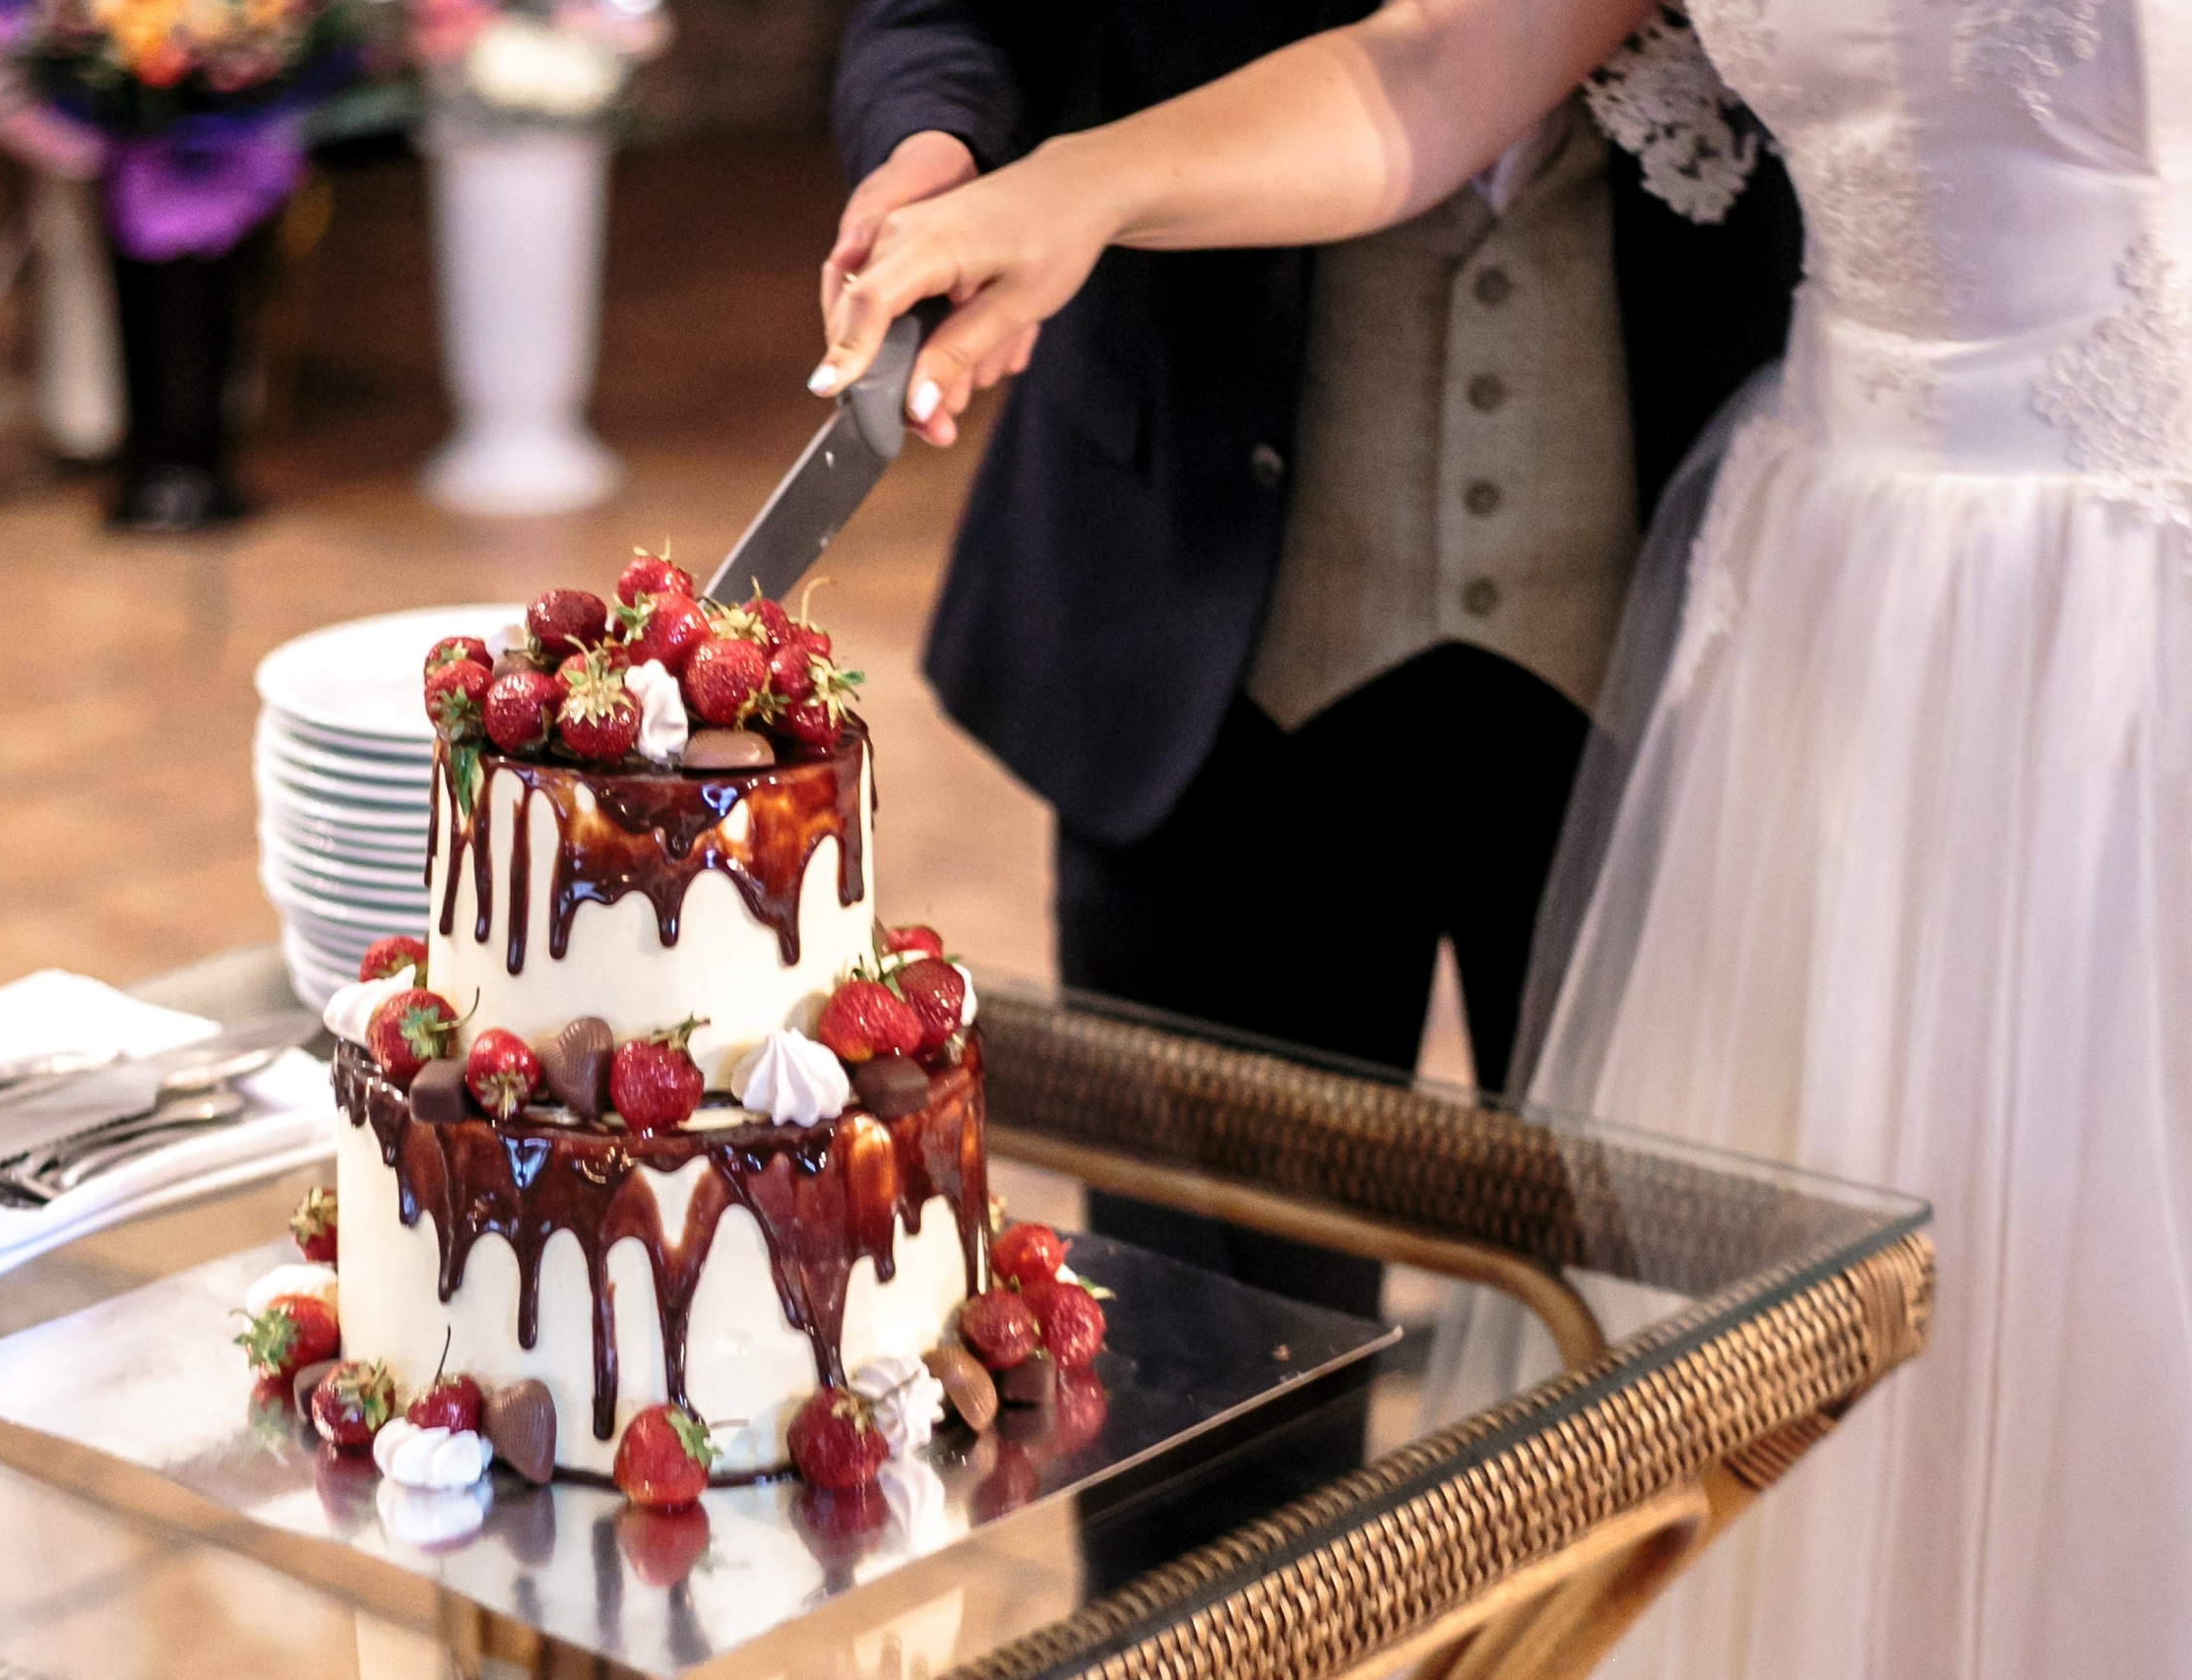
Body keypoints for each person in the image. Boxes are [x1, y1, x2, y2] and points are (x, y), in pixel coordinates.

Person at [815, 3, 2192, 1678]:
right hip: (1716, 625)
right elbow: (1438, 63)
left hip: (2045, 633)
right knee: (1256, 1385)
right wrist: (1069, 187)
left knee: (2014, 1315)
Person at [826, 1, 1799, 1312]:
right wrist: (933, 143)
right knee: (1212, 1382)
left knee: (1678, 1353)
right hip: (1208, 633)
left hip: (1695, 647)